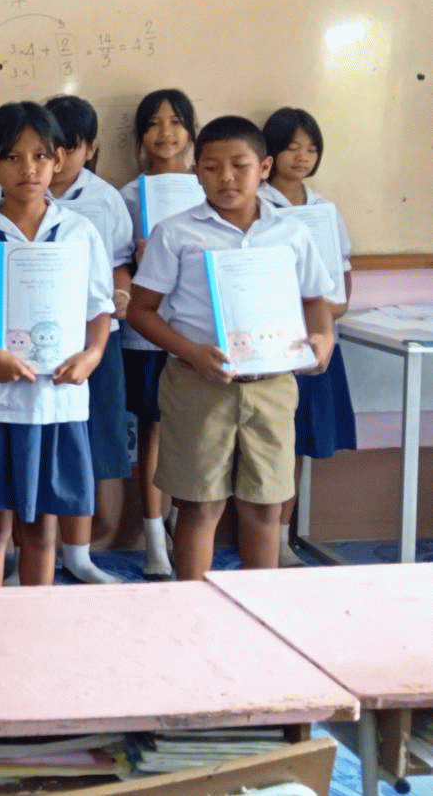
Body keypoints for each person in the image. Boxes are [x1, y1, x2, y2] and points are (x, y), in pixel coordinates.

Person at [128, 117, 335, 581]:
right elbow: (142, 311)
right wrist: (191, 352)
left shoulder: (291, 233)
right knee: (199, 506)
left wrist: (322, 338)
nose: (226, 178)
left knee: (264, 507)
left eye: (239, 165)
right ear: (195, 172)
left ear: (264, 168)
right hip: (197, 384)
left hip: (271, 386)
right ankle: (193, 610)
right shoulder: (175, 233)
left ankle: (259, 610)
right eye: (211, 167)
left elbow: (314, 301)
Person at [0, 103, 113, 588]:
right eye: (13, 157)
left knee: (41, 527)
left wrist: (93, 354)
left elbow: (99, 308)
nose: (28, 169)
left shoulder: (78, 232)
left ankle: (35, 624)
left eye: (40, 156)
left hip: (54, 403)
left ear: (58, 160)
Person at [40, 96, 135, 585]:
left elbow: (119, 265)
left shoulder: (105, 200)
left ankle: (89, 549)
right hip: (36, 343)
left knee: (97, 440)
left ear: (91, 149)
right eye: (48, 148)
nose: (56, 160)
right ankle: (41, 552)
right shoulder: (11, 194)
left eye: (70, 148)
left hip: (96, 340)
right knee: (43, 442)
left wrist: (121, 295)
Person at [259, 107, 355, 566]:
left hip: (312, 341)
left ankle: (281, 538)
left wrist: (332, 308)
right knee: (262, 441)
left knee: (297, 443)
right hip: (269, 341)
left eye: (311, 149)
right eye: (292, 147)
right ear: (270, 153)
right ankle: (250, 536)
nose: (302, 157)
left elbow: (342, 275)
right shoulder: (256, 205)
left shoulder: (324, 209)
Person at [118, 88, 198, 580]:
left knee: (189, 433)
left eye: (175, 122)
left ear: (191, 130)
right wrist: (137, 259)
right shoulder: (127, 196)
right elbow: (112, 268)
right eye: (153, 123)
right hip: (147, 334)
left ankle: (180, 527)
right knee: (152, 431)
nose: (165, 133)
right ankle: (153, 541)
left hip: (196, 334)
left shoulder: (209, 188)